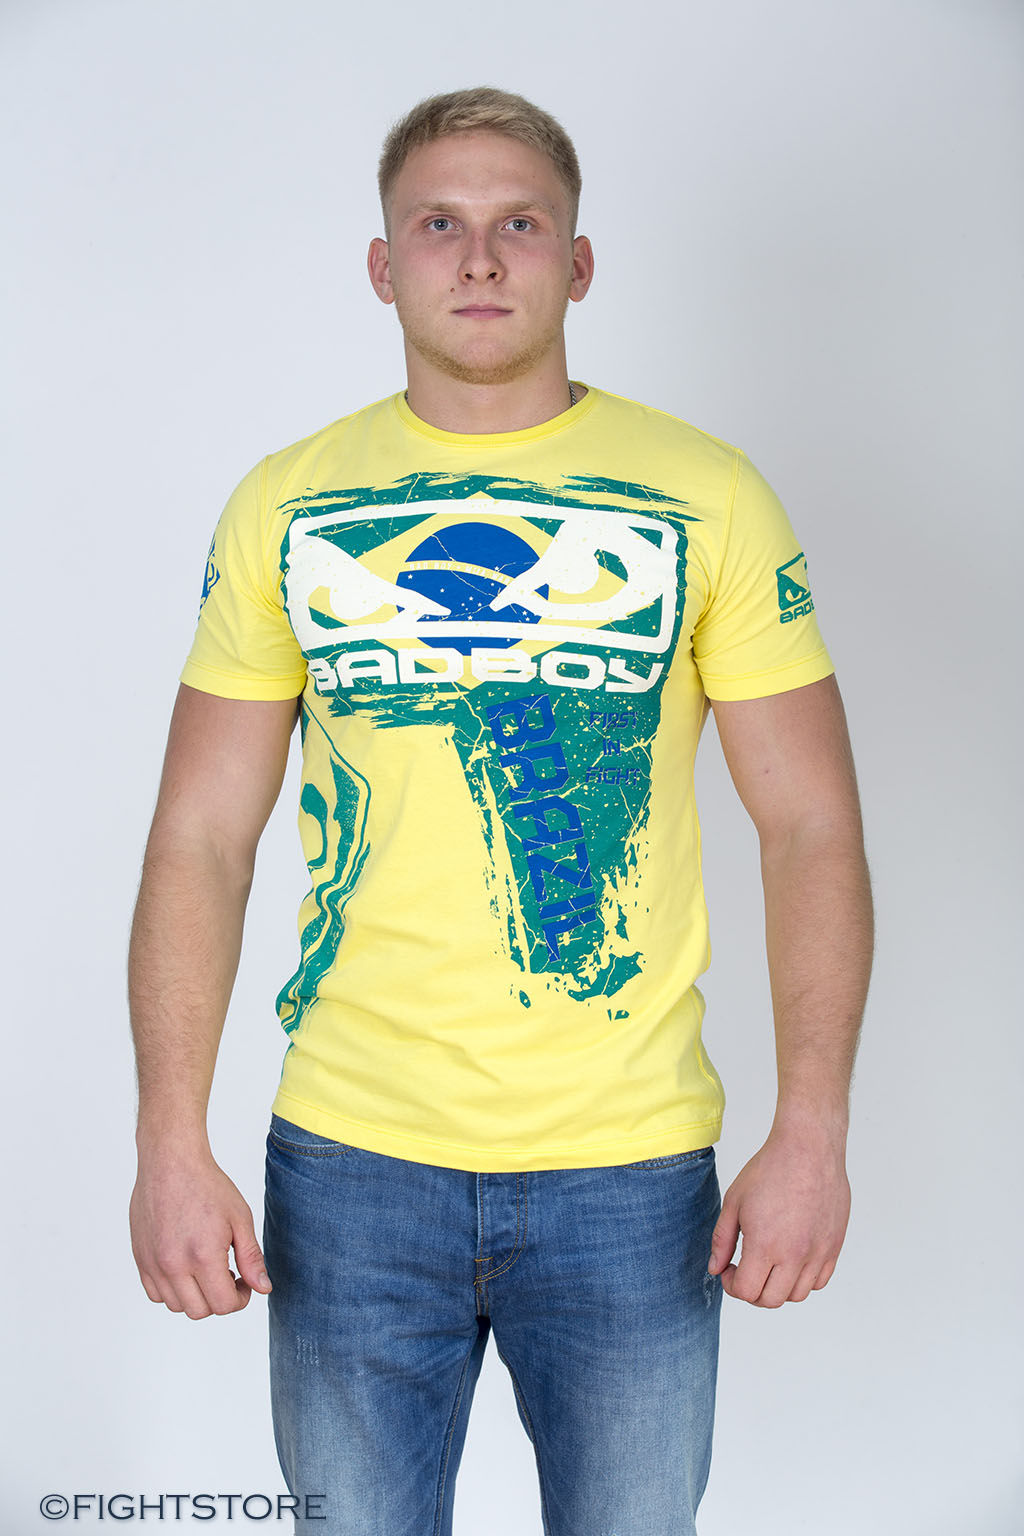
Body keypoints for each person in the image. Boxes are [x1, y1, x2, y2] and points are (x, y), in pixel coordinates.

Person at [128, 85, 873, 1536]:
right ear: (382, 264)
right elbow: (200, 837)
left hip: (628, 1168)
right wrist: (169, 1139)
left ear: (578, 264)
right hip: (350, 1162)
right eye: (439, 225)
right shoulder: (286, 504)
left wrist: (816, 1128)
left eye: (519, 225)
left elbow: (811, 827)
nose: (478, 258)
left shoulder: (708, 496)